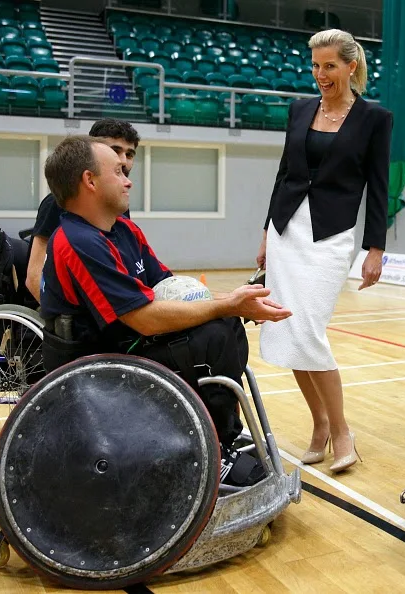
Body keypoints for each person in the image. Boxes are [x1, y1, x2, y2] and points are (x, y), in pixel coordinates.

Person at [40, 135, 292, 486]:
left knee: (226, 323)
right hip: (96, 368)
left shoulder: (124, 230)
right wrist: (227, 303)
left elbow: (171, 290)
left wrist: (237, 300)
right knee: (213, 337)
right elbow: (143, 319)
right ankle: (212, 454)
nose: (129, 178)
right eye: (118, 171)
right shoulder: (78, 242)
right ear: (90, 181)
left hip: (128, 346)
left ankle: (220, 437)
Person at [257, 29, 392, 473]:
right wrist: (264, 234)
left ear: (351, 66)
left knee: (309, 330)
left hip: (331, 237)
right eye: (315, 66)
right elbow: (283, 174)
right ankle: (319, 426)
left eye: (329, 65)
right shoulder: (299, 110)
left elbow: (378, 187)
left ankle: (342, 431)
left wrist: (375, 247)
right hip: (284, 232)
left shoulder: (375, 118)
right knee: (288, 330)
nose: (320, 74)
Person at [25, 118, 140, 302]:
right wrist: (59, 323)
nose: (123, 161)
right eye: (115, 150)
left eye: (130, 154)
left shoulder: (116, 203)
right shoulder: (58, 203)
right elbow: (34, 277)